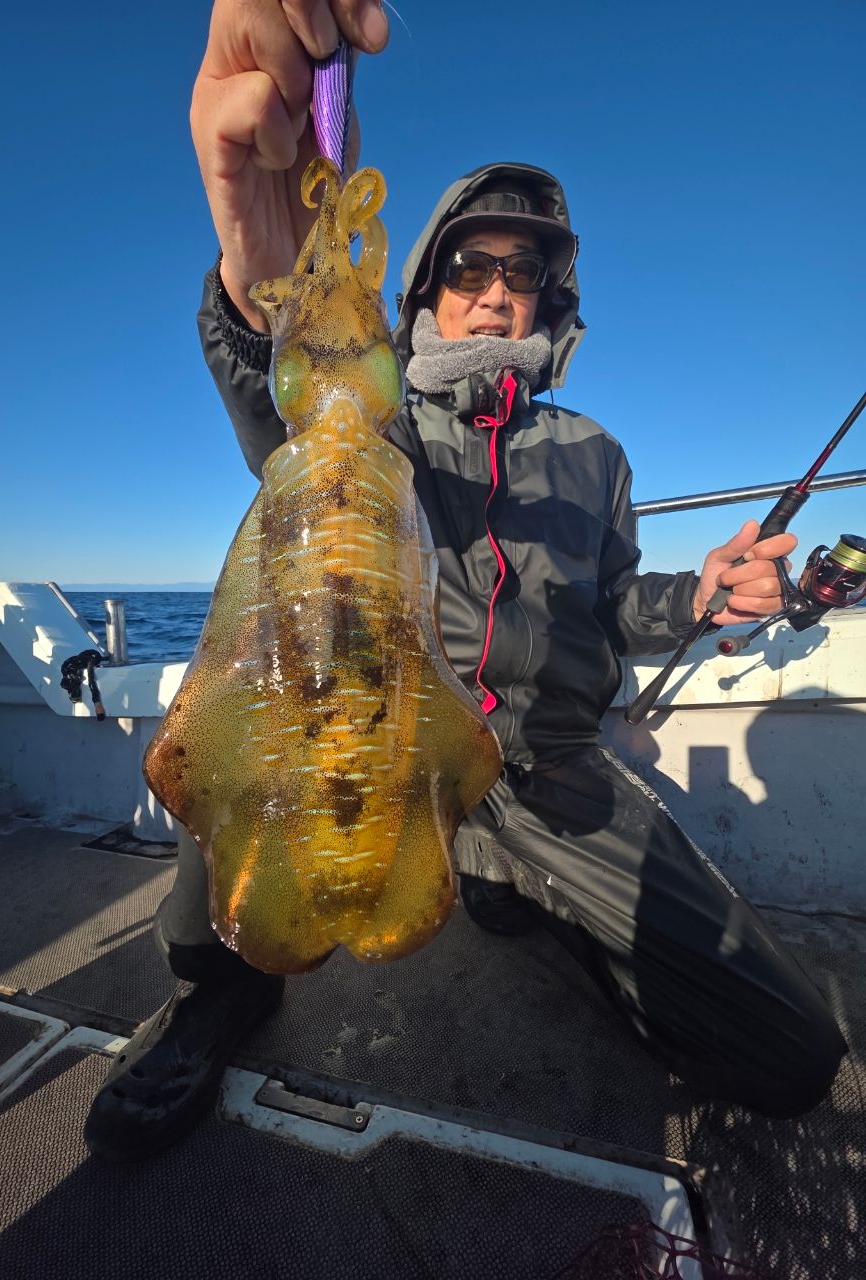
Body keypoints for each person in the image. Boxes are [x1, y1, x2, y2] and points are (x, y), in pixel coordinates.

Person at [83, 0, 846, 1164]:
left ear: (550, 302)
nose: (498, 289)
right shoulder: (380, 425)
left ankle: (518, 882)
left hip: (541, 766)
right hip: (386, 741)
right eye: (470, 266)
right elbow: (294, 416)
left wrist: (699, 598)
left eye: (523, 272)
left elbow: (613, 606)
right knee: (256, 727)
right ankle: (218, 991)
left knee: (792, 1052)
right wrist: (258, 279)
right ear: (426, 292)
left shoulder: (597, 454)